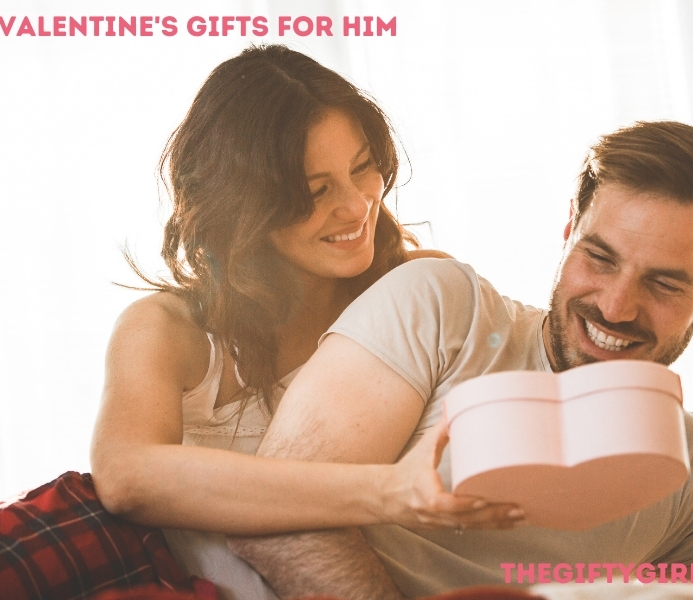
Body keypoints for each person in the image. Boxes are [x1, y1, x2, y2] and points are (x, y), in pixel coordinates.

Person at [227, 121, 693, 599]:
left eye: (663, 283)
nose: (615, 306)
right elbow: (274, 515)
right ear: (569, 228)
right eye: (599, 257)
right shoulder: (443, 307)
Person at [89, 44, 521, 600]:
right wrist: (387, 490)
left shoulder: (415, 294)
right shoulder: (168, 330)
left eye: (363, 167)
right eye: (315, 192)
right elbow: (126, 476)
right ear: (240, 205)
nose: (357, 206)